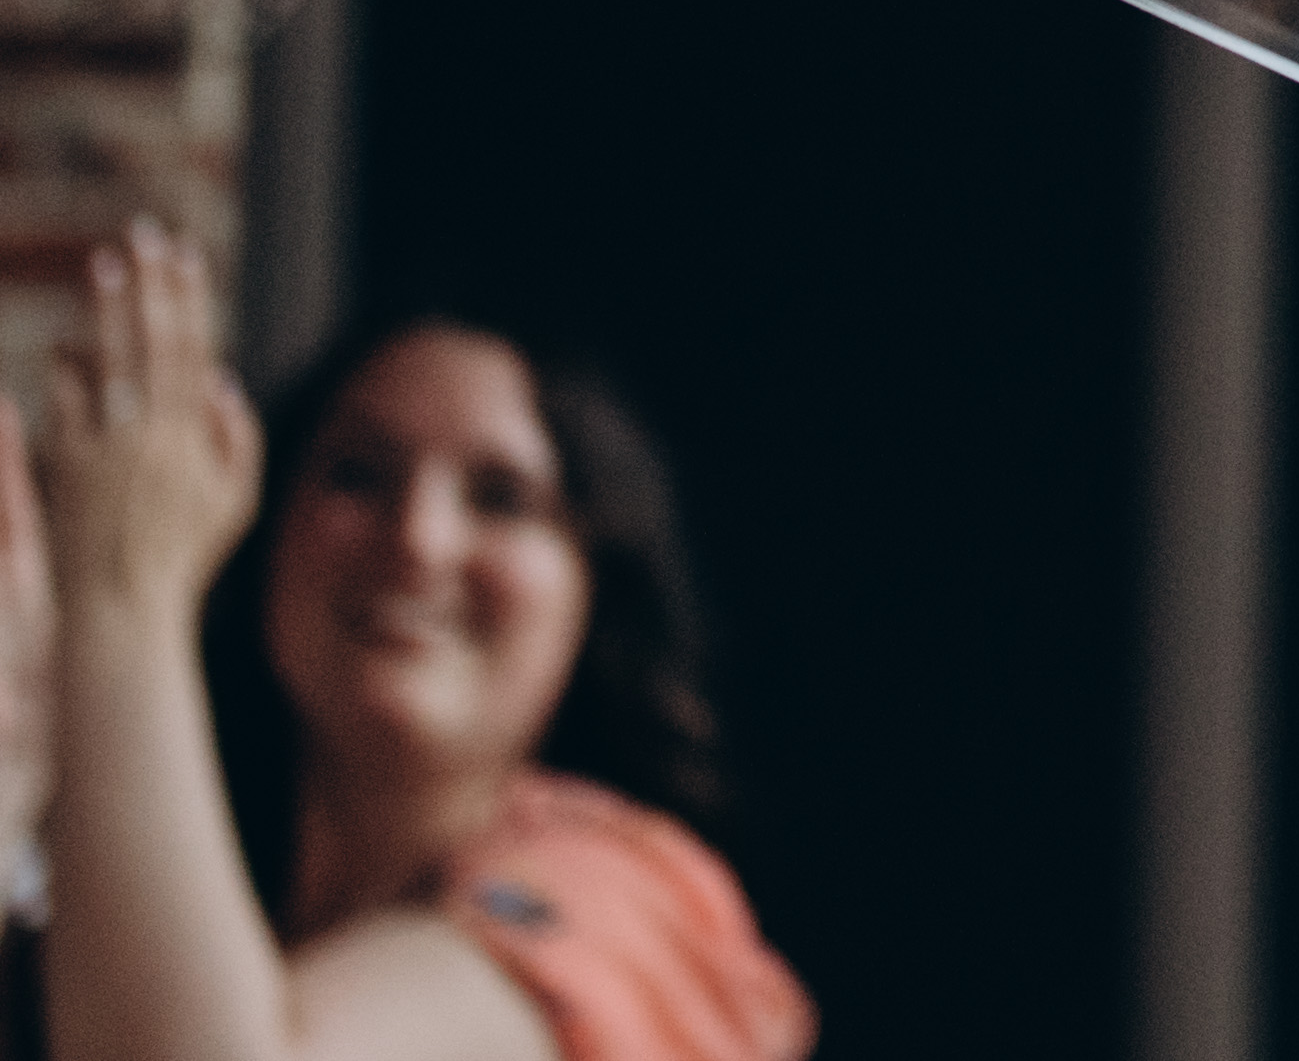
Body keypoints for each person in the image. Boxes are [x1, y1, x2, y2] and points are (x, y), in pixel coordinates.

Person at [0, 225, 813, 1061]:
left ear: (593, 592)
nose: (417, 539)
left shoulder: (629, 904)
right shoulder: (158, 917)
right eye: (359, 474)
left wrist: (123, 584)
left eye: (501, 497)